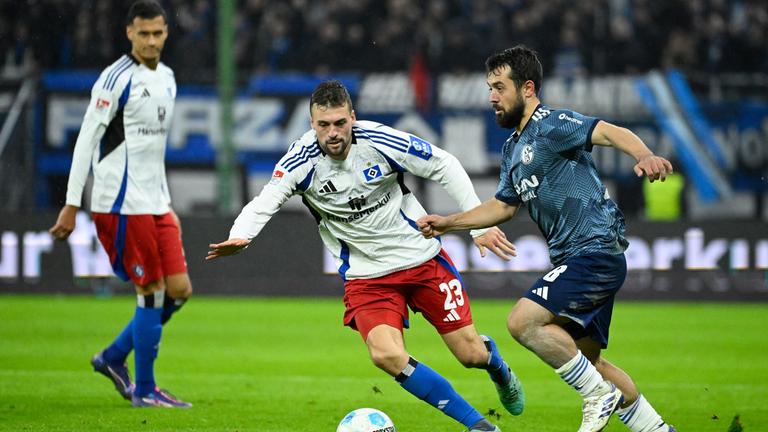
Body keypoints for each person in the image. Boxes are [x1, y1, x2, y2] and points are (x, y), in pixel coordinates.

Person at [207, 80, 523, 432]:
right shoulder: (300, 161)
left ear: (353, 118)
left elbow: (444, 164)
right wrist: (241, 235)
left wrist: (477, 225)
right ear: (312, 124)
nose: (333, 133)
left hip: (422, 260)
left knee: (471, 356)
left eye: (340, 123)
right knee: (386, 355)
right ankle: (478, 425)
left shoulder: (380, 141)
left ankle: (496, 365)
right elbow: (266, 200)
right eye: (324, 125)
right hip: (366, 277)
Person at [417, 45, 677, 432]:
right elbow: (504, 207)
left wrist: (644, 154)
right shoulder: (512, 148)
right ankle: (658, 429)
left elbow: (606, 130)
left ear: (527, 88)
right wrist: (450, 223)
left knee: (523, 322)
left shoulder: (552, 124)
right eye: (489, 87)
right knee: (590, 363)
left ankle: (595, 395)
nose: (492, 97)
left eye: (499, 87)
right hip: (582, 257)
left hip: (594, 250)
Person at [49, 0, 192, 408]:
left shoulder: (167, 77)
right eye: (143, 33)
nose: (151, 41)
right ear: (129, 32)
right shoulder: (113, 80)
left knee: (179, 291)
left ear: (166, 33)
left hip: (155, 202)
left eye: (158, 33)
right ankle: (145, 391)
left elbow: (152, 148)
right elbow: (86, 142)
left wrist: (166, 202)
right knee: (150, 291)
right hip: (121, 203)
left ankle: (112, 357)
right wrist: (71, 204)